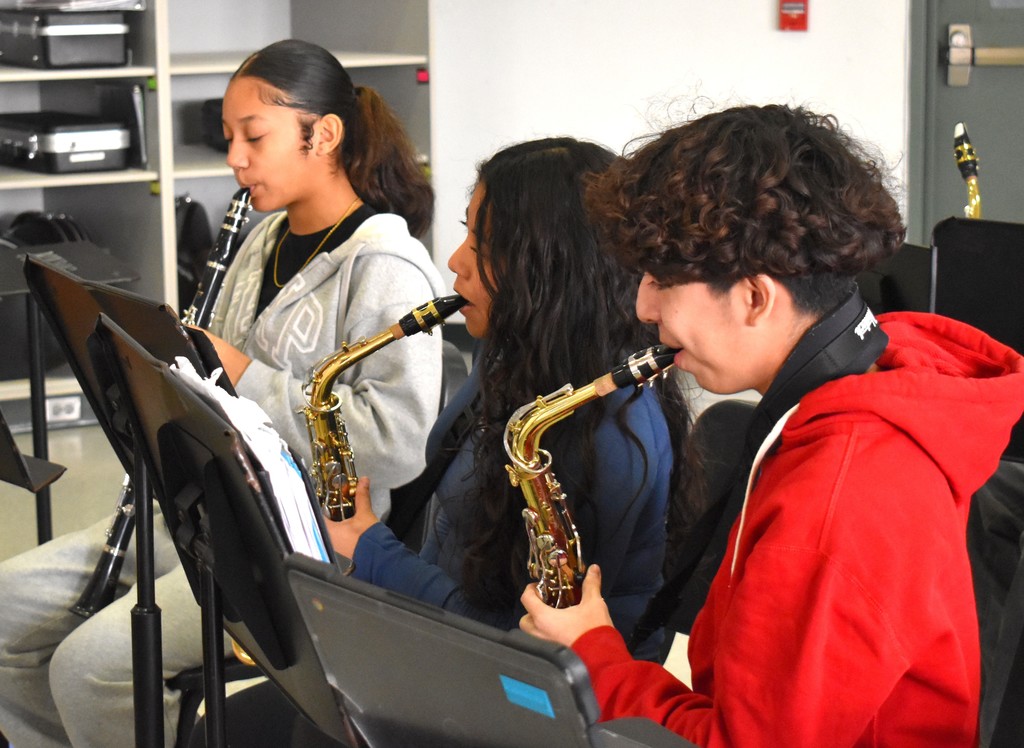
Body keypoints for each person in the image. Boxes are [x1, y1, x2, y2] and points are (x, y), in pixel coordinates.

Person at [519, 104, 1024, 747]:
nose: (643, 306)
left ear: (755, 298)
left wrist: (595, 657)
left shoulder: (839, 496)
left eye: (661, 281)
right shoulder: (864, 385)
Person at [0, 38, 444, 748]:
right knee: (4, 609)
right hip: (198, 512)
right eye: (228, 136)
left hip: (295, 548)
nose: (234, 158)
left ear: (323, 135)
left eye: (253, 137)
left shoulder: (388, 268)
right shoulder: (260, 242)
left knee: (89, 668)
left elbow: (398, 445)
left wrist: (246, 377)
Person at [190, 136, 689, 745]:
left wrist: (371, 549)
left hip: (524, 710)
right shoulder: (513, 360)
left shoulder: (607, 435)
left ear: (548, 266)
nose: (455, 261)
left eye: (482, 243)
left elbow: (509, 649)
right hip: (440, 652)